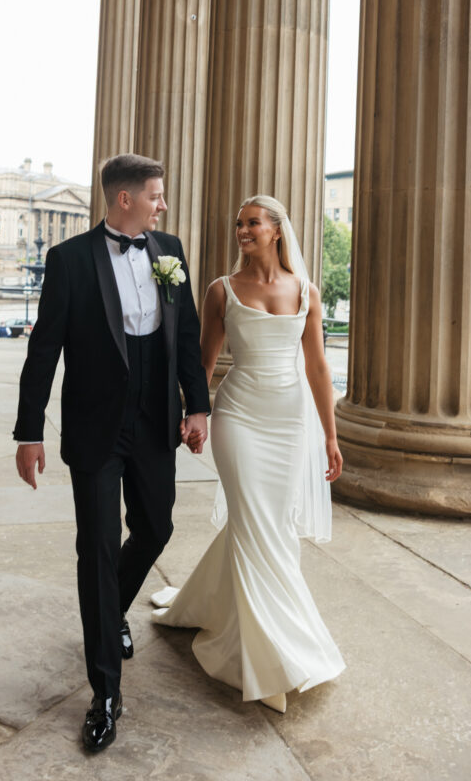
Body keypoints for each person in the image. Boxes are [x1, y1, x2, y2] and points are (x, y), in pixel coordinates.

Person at [14, 154, 210, 753]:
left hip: (155, 422)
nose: (163, 204)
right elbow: (45, 349)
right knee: (95, 549)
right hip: (97, 427)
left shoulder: (168, 248)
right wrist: (28, 432)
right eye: (156, 194)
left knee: (156, 527)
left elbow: (186, 336)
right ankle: (104, 691)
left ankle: (110, 612)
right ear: (124, 199)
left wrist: (196, 406)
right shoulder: (69, 260)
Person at [151, 195, 346, 713]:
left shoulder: (307, 292)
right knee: (252, 518)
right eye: (238, 223)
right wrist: (194, 413)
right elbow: (204, 360)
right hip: (237, 417)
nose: (242, 230)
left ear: (277, 231)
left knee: (273, 524)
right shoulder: (221, 290)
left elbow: (319, 370)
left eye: (252, 223)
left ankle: (219, 608)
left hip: (289, 424)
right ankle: (269, 655)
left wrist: (329, 436)